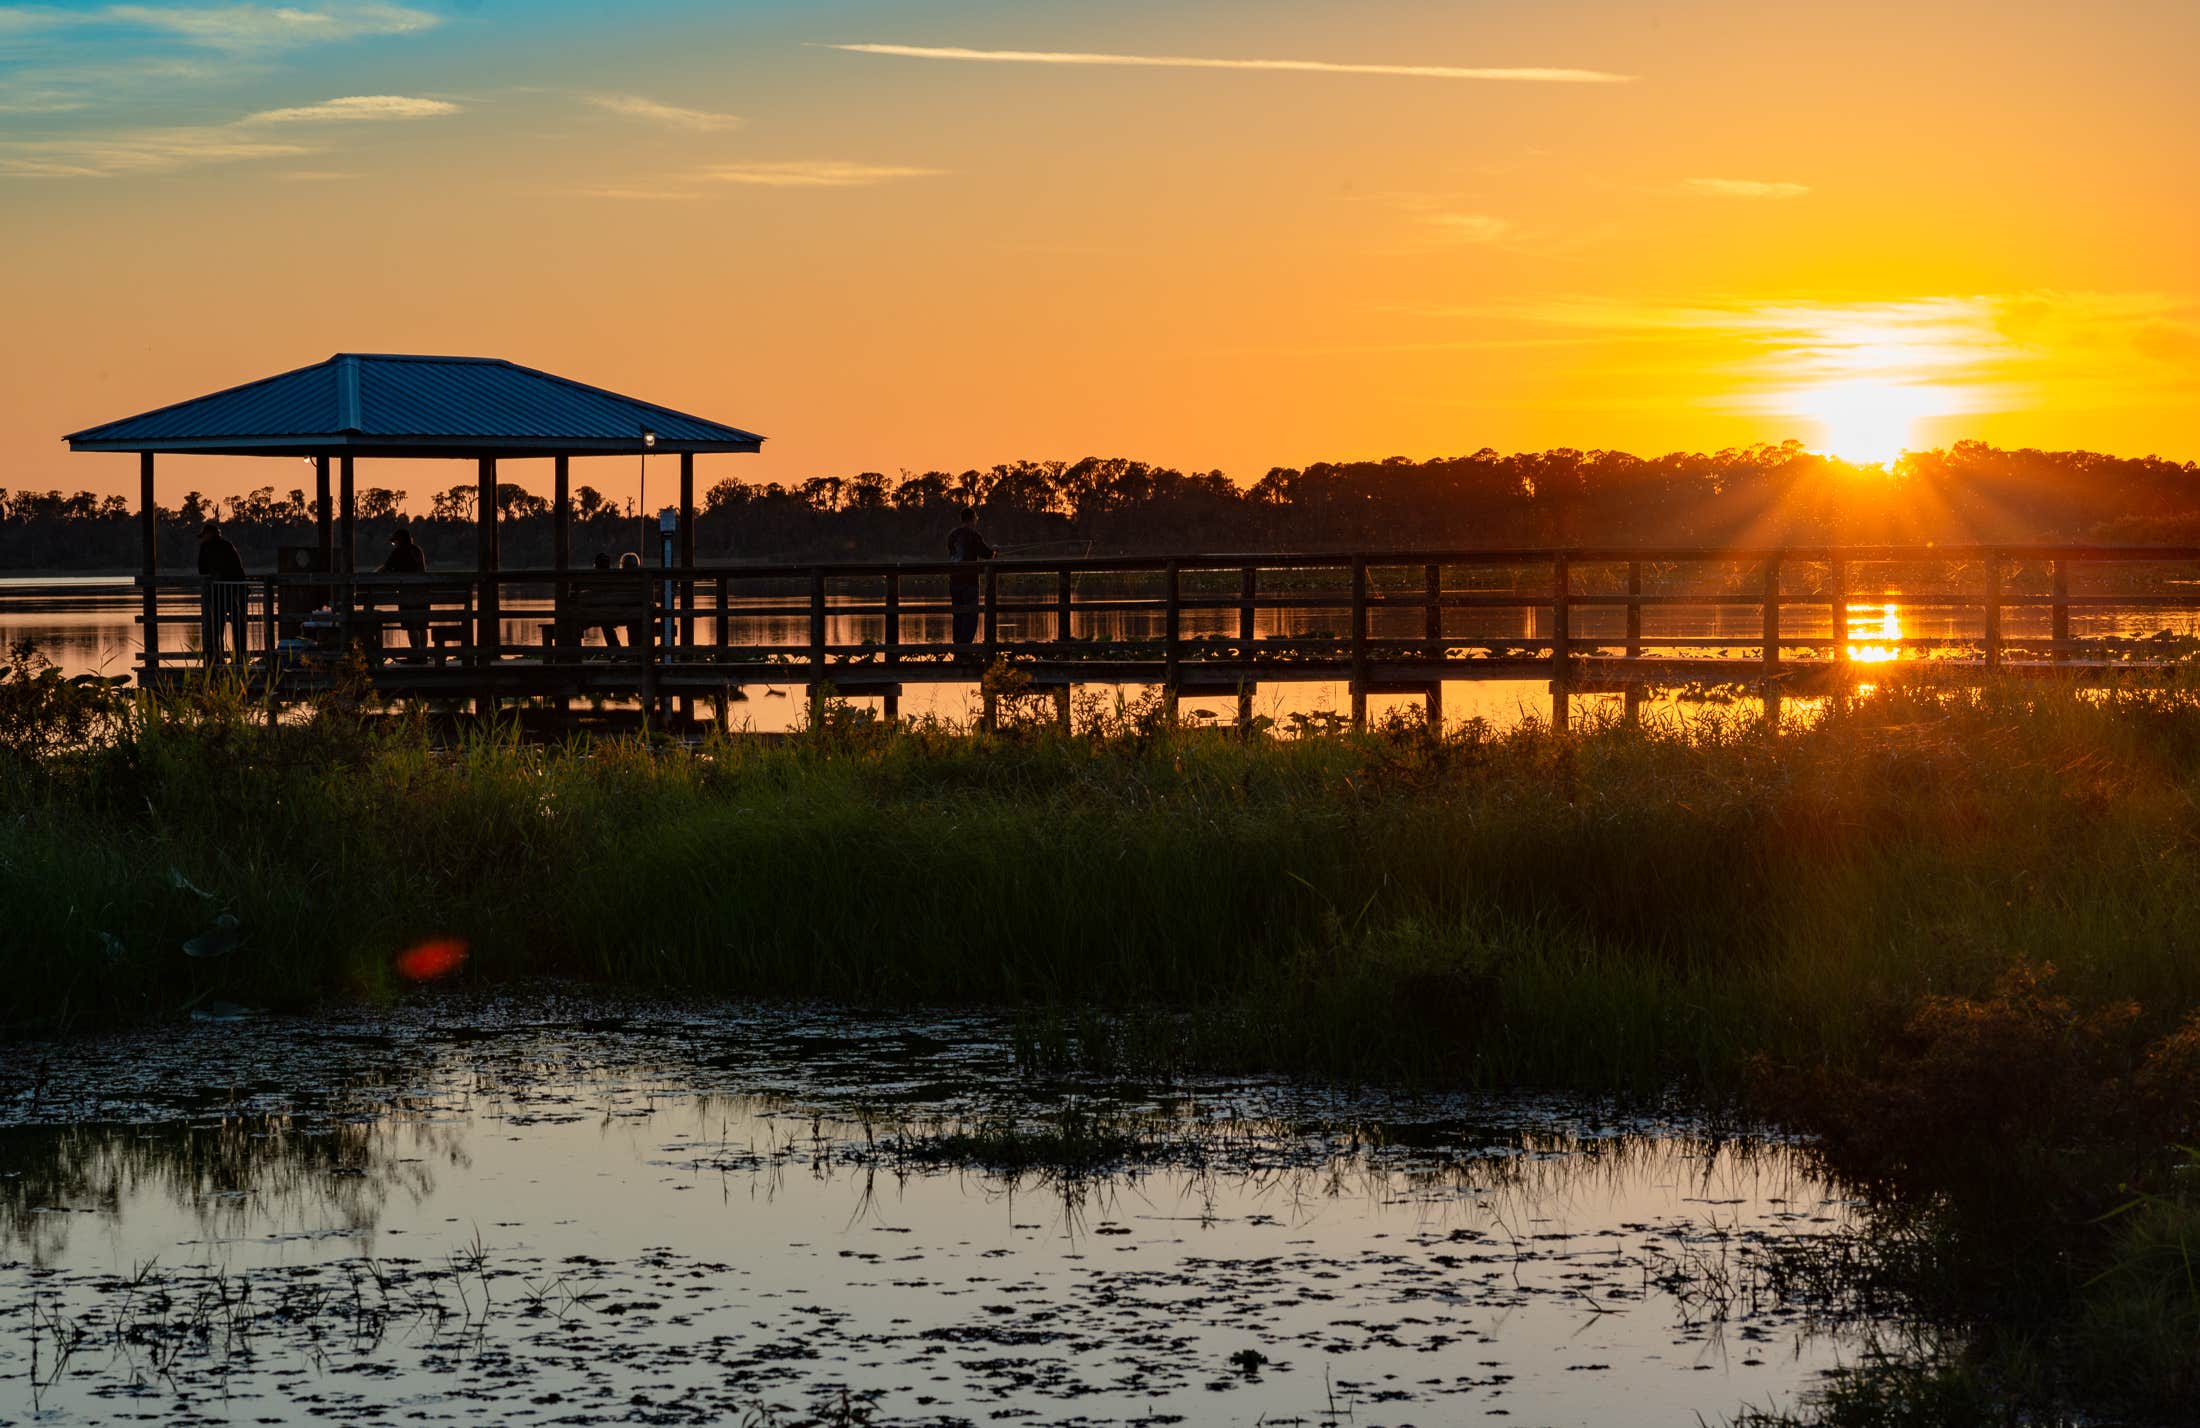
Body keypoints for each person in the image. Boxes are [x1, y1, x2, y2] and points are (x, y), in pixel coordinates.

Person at [196, 521, 246, 664]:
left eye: (204, 535)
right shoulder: (227, 546)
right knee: (237, 627)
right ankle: (239, 658)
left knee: (216, 627)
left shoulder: (206, 548)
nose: (203, 539)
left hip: (217, 594)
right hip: (234, 591)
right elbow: (238, 568)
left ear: (209, 534)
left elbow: (202, 570)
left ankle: (218, 658)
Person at [947, 506, 993, 651]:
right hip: (970, 582)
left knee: (958, 615)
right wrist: (995, 551)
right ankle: (965, 650)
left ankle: (958, 648)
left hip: (954, 580)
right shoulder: (973, 535)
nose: (976, 521)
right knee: (971, 616)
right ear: (972, 519)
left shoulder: (952, 535)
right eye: (976, 518)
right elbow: (986, 554)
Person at [377, 525, 430, 652]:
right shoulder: (417, 550)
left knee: (410, 625)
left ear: (400, 541)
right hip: (423, 593)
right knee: (422, 625)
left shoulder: (398, 552)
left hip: (406, 594)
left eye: (395, 542)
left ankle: (416, 653)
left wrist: (373, 575)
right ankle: (423, 653)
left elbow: (385, 569)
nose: (394, 544)